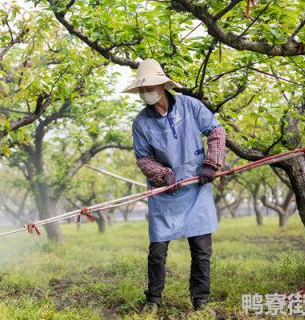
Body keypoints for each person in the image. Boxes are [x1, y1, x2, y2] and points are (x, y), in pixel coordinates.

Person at [122, 59, 226, 316]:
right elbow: (143, 158)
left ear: (162, 85)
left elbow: (216, 130)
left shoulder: (190, 106)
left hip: (196, 187)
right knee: (157, 250)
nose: (147, 93)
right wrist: (162, 174)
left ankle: (200, 300)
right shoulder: (141, 123)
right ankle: (153, 300)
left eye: (151, 87)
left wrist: (211, 164)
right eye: (142, 89)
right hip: (165, 193)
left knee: (201, 251)